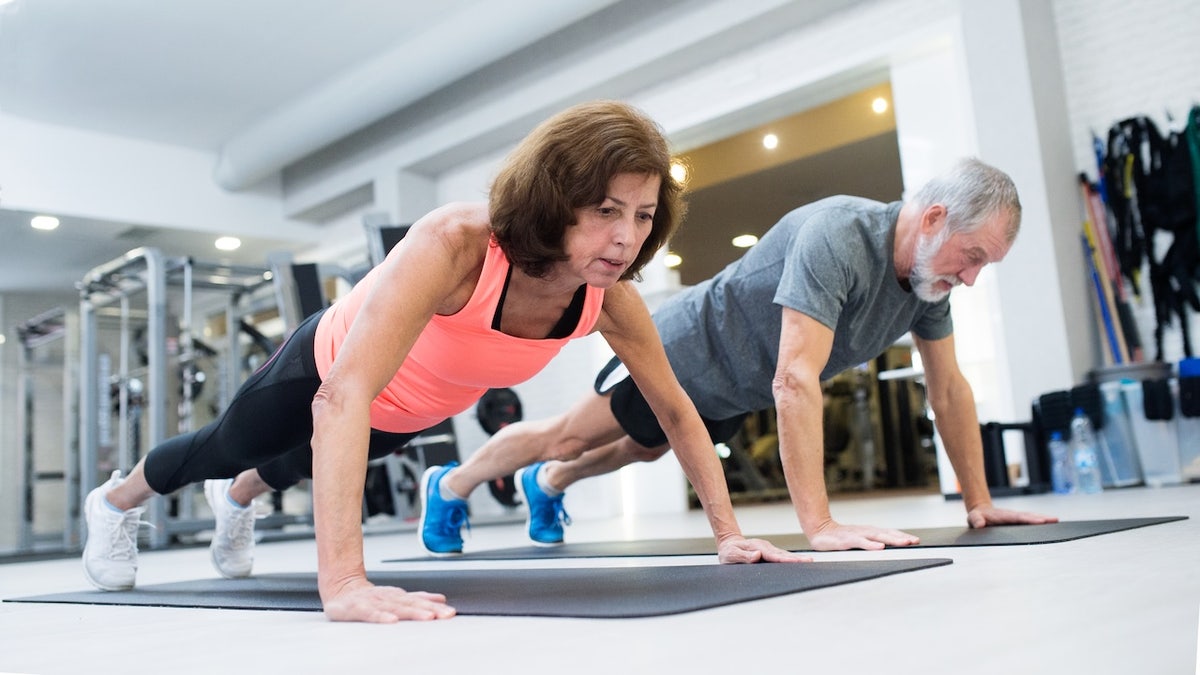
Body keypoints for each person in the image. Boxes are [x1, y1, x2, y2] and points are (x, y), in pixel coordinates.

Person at [80, 100, 805, 624]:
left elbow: (678, 409)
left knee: (292, 466)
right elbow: (341, 397)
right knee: (227, 447)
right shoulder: (458, 244)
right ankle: (115, 502)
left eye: (643, 216)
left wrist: (728, 533)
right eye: (606, 210)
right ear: (556, 199)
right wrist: (343, 582)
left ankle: (237, 500)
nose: (626, 235)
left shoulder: (608, 297)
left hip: (413, 407)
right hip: (328, 370)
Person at [421, 157, 1057, 555]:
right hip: (682, 351)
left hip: (734, 390)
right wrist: (821, 525)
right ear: (934, 218)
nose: (971, 277)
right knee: (567, 435)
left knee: (641, 449)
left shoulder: (926, 282)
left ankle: (548, 485)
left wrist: (979, 500)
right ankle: (450, 485)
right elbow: (795, 378)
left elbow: (947, 389)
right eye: (971, 256)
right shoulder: (838, 234)